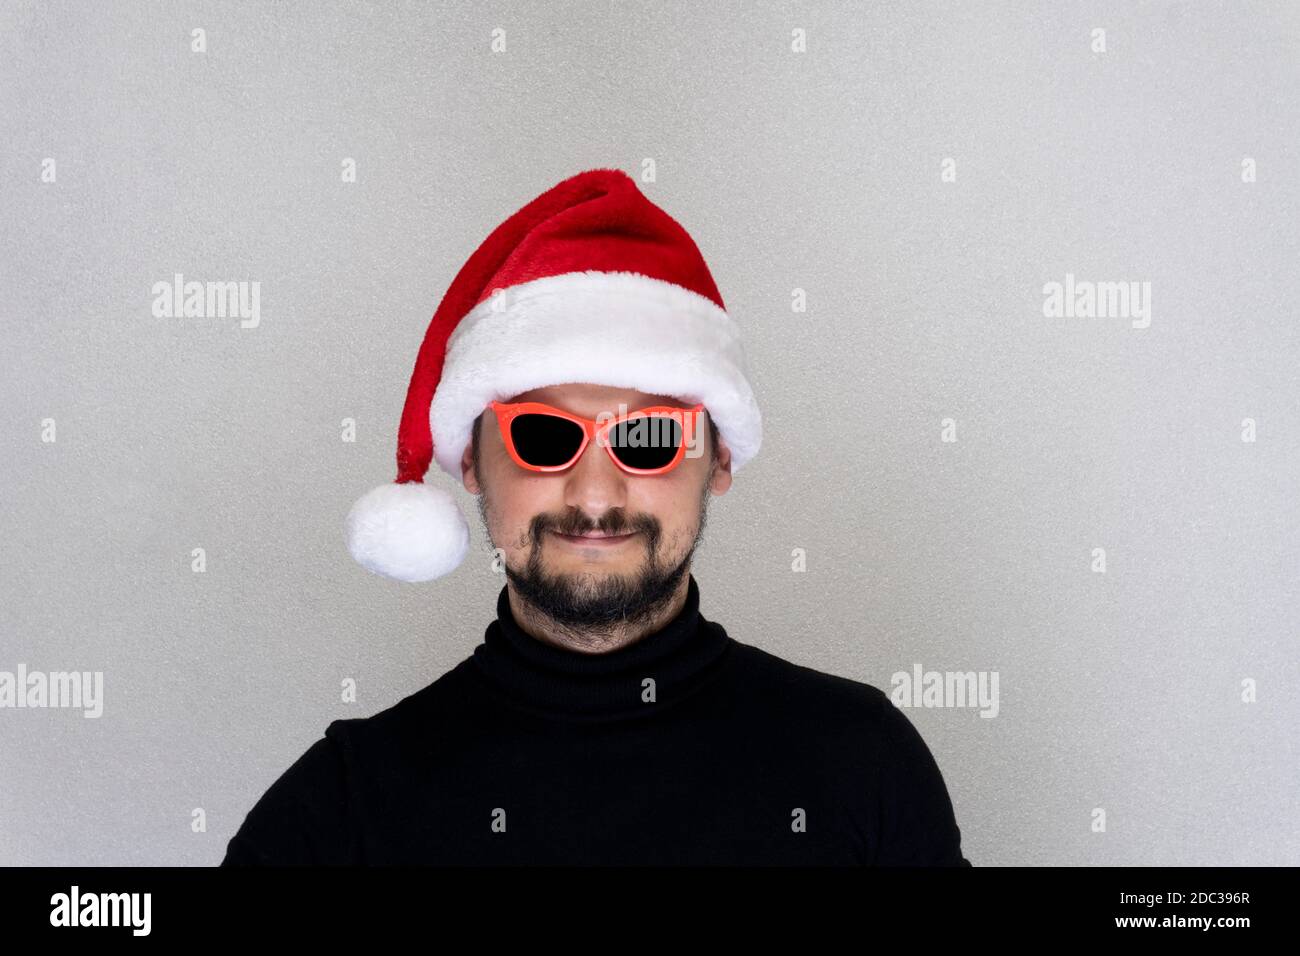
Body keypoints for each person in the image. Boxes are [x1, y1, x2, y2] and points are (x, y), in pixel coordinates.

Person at [222, 168, 970, 866]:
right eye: (544, 436)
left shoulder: (862, 762)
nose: (594, 496)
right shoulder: (341, 811)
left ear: (719, 460)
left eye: (645, 437)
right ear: (473, 464)